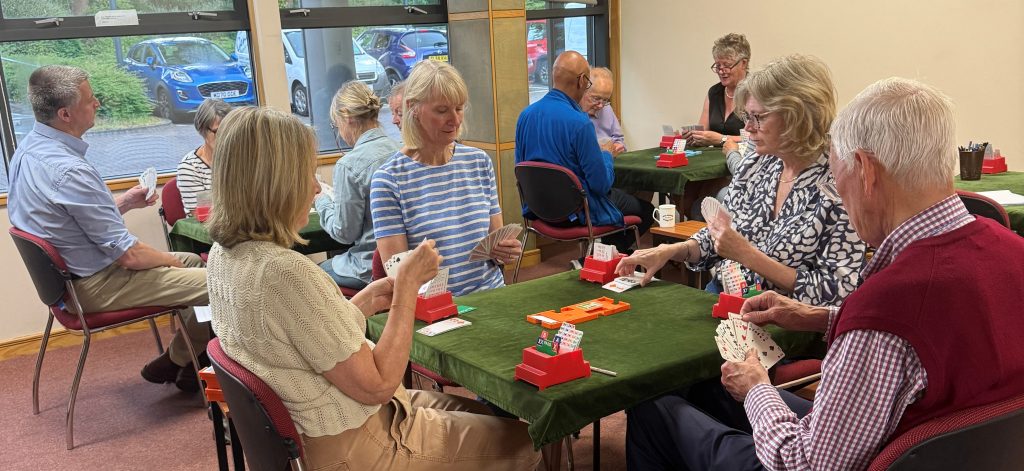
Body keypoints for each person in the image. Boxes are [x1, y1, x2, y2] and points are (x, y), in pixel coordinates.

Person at [625, 77, 1024, 470]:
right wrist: (823, 317)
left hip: (823, 459)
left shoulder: (884, 310)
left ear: (865, 170)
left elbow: (803, 463)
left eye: (840, 180)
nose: (842, 198)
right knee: (709, 389)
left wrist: (758, 389)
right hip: (941, 451)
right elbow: (926, 338)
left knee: (651, 405)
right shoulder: (1013, 251)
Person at [207, 106, 540, 470]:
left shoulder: (223, 257)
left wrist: (364, 302)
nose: (316, 188)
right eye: (307, 174)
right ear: (274, 185)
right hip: (356, 446)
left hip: (331, 427)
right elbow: (379, 384)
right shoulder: (285, 273)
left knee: (491, 416)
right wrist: (407, 290)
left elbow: (307, 340)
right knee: (526, 442)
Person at [7, 65, 209, 392]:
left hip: (71, 282)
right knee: (224, 283)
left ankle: (183, 359)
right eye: (89, 99)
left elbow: (68, 221)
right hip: (97, 284)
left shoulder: (29, 150)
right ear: (65, 114)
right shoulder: (69, 169)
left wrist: (124, 202)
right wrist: (169, 261)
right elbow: (130, 256)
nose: (97, 103)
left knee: (196, 262)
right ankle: (214, 369)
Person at [617, 55, 865, 306]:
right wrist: (671, 250)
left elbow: (837, 291)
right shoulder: (757, 164)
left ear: (797, 118)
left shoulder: (839, 183)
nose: (747, 128)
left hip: (784, 317)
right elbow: (719, 236)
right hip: (726, 299)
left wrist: (748, 255)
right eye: (747, 116)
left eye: (758, 117)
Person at [371, 61, 521, 296]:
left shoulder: (479, 162)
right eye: (442, 111)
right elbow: (399, 278)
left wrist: (504, 251)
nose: (455, 120)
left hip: (491, 294)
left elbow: (495, 248)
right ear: (412, 107)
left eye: (459, 108)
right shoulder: (389, 180)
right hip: (435, 306)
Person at [515, 51, 654, 253]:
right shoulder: (579, 123)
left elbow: (520, 168)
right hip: (576, 212)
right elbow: (601, 185)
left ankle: (597, 257)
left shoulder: (525, 116)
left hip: (538, 210)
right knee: (646, 211)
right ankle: (597, 259)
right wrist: (606, 154)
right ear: (582, 81)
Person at [314, 81, 400, 289]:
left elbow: (345, 233)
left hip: (369, 268)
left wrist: (321, 200)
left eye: (336, 125)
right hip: (402, 262)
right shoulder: (402, 151)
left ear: (347, 117)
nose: (339, 132)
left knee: (312, 275)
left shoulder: (349, 165)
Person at [684, 33, 750, 147]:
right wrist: (693, 136)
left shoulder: (756, 91)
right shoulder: (714, 92)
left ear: (743, 63)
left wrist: (722, 139)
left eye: (727, 65)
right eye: (718, 66)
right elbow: (703, 132)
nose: (720, 71)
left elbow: (759, 138)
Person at [176, 98, 233, 214]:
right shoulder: (190, 167)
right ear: (202, 129)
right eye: (218, 131)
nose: (225, 137)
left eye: (229, 131)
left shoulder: (241, 158)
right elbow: (203, 216)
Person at [582, 67, 626, 154]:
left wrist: (618, 146)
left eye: (605, 100)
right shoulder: (572, 113)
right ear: (583, 91)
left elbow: (619, 139)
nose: (601, 105)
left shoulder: (607, 108)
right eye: (596, 98)